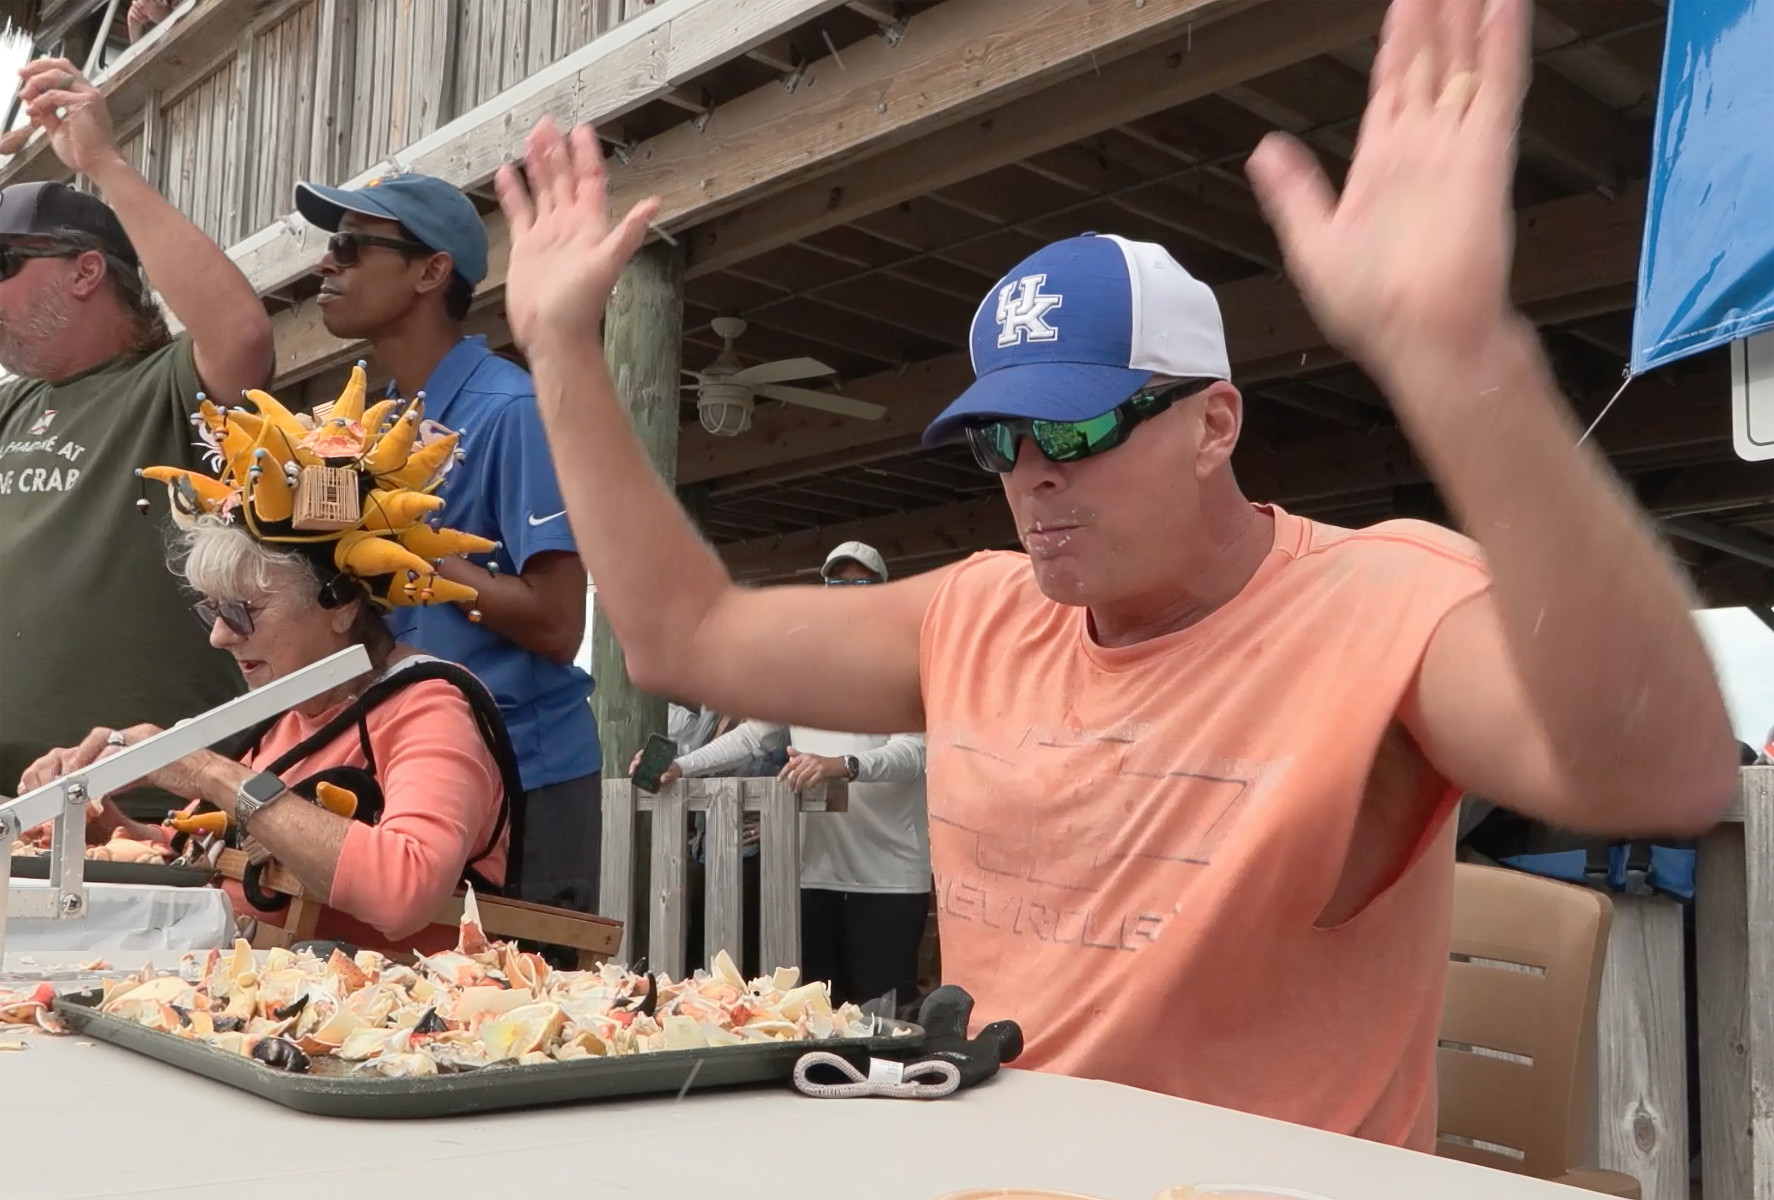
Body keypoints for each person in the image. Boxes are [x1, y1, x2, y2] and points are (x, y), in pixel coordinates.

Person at [490, 0, 1739, 1149]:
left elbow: (1660, 766)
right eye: (999, 439)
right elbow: (679, 635)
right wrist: (559, 347)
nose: (1032, 472)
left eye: (1078, 429)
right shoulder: (978, 614)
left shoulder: (1385, 600)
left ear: (1214, 425)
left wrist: (1458, 354)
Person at [19, 379, 518, 957]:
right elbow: (204, 860)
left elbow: (404, 889)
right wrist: (93, 818)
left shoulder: (430, 708)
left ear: (343, 604)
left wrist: (210, 772)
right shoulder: (288, 719)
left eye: (243, 610)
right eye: (212, 609)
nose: (219, 635)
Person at [289, 170, 600, 918]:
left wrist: (402, 549)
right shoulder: (352, 429)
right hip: (391, 765)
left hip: (521, 776)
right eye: (330, 247)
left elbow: (560, 627)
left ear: (432, 271)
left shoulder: (513, 409)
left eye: (352, 246)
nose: (324, 264)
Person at [0, 58, 271, 806]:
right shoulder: (14, 406)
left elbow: (243, 334)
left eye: (3, 263)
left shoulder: (169, 388)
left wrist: (103, 162)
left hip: (144, 811)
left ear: (87, 272)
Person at [649, 542, 931, 1008]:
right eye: (837, 584)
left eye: (861, 584)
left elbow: (916, 752)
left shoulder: (905, 663)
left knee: (885, 1019)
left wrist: (843, 767)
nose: (847, 594)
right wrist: (680, 765)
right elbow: (748, 738)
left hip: (887, 878)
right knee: (815, 1016)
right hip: (809, 874)